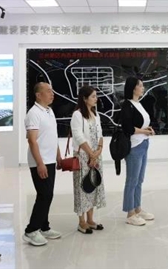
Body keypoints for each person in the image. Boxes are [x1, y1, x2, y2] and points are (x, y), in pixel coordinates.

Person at [22, 82, 62, 246]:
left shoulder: (49, 111)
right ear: (38, 95)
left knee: (48, 194)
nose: (52, 94)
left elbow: (52, 136)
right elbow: (32, 141)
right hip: (40, 161)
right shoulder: (33, 113)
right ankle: (31, 230)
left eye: (52, 91)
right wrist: (39, 163)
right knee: (44, 195)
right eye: (48, 91)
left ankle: (44, 227)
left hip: (50, 160)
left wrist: (58, 155)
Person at [71, 85, 106, 234]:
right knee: (82, 187)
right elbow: (78, 136)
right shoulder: (77, 115)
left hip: (95, 156)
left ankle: (90, 220)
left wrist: (98, 151)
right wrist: (91, 154)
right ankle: (82, 222)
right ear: (84, 99)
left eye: (96, 96)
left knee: (93, 185)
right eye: (93, 96)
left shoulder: (95, 114)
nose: (96, 99)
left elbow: (100, 134)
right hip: (83, 157)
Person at [120, 77, 155, 226]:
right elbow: (127, 128)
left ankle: (137, 209)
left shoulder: (138, 104)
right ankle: (130, 213)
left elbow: (140, 124)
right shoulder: (127, 105)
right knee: (132, 180)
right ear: (133, 88)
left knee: (139, 180)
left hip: (144, 143)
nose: (143, 88)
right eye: (140, 86)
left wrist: (148, 130)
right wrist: (144, 132)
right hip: (134, 146)